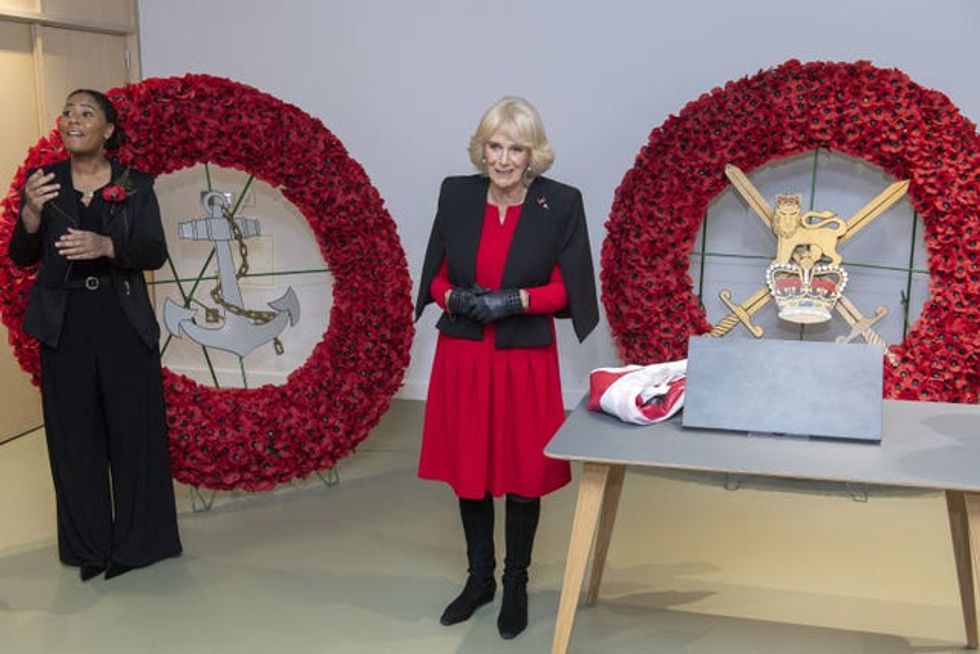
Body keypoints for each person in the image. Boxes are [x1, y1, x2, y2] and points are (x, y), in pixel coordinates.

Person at [416, 96, 599, 639]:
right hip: (465, 354)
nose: (502, 159)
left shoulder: (561, 203)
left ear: (532, 153)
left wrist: (513, 301)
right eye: (494, 146)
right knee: (470, 473)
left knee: (522, 475)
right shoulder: (456, 194)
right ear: (483, 148)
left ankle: (515, 583)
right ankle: (480, 580)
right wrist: (455, 300)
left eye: (515, 148)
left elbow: (569, 287)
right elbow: (436, 276)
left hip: (523, 356)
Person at [8, 89, 182, 581]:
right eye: (67, 112)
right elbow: (22, 255)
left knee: (134, 433)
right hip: (64, 323)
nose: (72, 119)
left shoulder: (136, 185)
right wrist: (31, 215)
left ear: (108, 130)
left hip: (121, 319)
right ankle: (88, 547)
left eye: (86, 113)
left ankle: (139, 544)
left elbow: (152, 251)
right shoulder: (42, 183)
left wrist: (108, 244)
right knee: (74, 438)